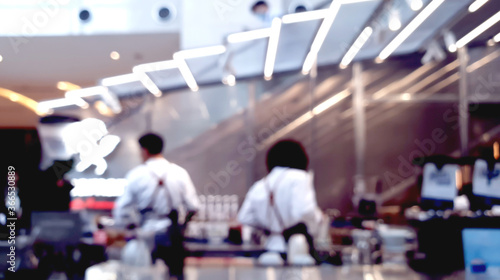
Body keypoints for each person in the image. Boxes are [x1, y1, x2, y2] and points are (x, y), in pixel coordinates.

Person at [113, 133, 199, 280]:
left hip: (145, 235)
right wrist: (182, 226)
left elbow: (121, 210)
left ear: (144, 150)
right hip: (172, 235)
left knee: (145, 275)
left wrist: (131, 226)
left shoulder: (136, 174)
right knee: (175, 275)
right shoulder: (179, 173)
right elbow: (194, 206)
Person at [238, 139, 322, 262]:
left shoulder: (260, 185)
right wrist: (317, 222)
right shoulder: (300, 177)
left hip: (270, 250)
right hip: (296, 249)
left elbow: (244, 217)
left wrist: (269, 227)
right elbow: (305, 210)